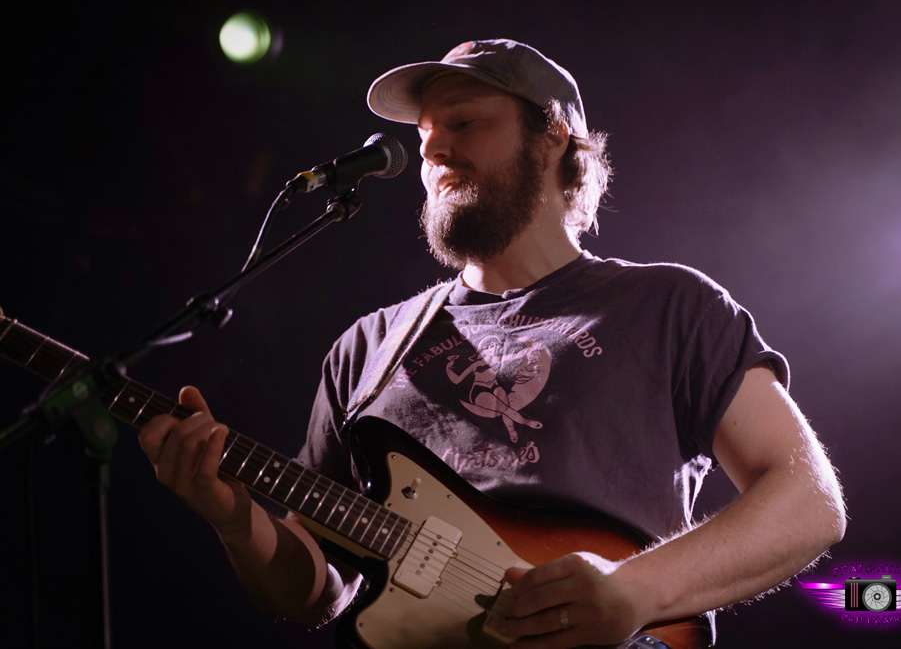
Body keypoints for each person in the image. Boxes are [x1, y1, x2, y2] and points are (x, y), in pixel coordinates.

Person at [138, 39, 846, 648]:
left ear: (554, 134)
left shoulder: (668, 305)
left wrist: (636, 592)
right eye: (426, 139)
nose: (436, 150)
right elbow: (314, 591)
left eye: (465, 123)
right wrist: (234, 520)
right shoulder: (369, 347)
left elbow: (808, 501)